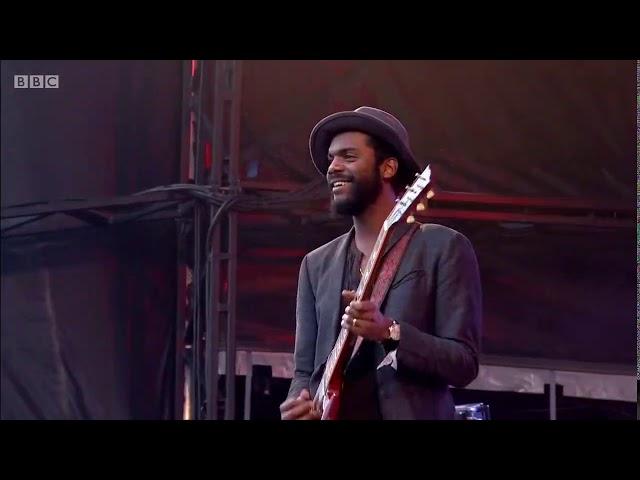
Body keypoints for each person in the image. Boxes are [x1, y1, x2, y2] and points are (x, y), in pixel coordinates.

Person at [279, 106, 482, 420]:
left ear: (387, 168)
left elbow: (463, 364)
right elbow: (305, 370)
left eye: (348, 156)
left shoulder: (443, 247)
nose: (332, 167)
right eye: (331, 159)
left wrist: (391, 332)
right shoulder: (315, 265)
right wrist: (299, 403)